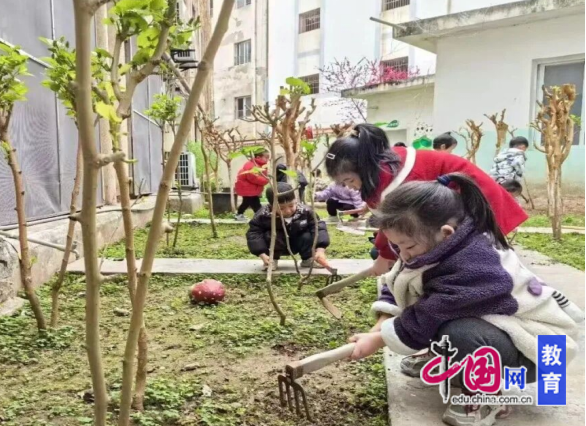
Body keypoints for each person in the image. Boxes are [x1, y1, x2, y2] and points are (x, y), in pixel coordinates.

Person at [348, 174, 581, 426]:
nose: (403, 255)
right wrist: (379, 328)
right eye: (397, 247)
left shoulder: (474, 264)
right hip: (506, 334)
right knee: (444, 318)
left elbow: (430, 313)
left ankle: (486, 396)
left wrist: (379, 339)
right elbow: (399, 280)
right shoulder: (433, 245)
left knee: (458, 332)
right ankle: (446, 358)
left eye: (408, 247)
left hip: (539, 351)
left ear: (446, 233)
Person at [324, 123, 527, 276]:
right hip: (451, 202)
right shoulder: (385, 164)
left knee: (469, 262)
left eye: (349, 180)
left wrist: (384, 255)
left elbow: (395, 223)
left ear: (365, 168)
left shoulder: (397, 180)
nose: (349, 187)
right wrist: (384, 253)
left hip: (476, 201)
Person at [247, 182, 330, 271]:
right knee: (271, 235)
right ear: (271, 206)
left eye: (291, 205)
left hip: (298, 243)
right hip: (276, 246)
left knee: (307, 235)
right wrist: (262, 254)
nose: (288, 211)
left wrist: (320, 249)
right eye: (281, 208)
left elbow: (319, 227)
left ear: (296, 200)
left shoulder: (306, 212)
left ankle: (308, 259)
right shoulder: (263, 216)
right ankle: (271, 261)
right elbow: (254, 234)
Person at [234, 149, 270, 222]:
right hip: (248, 189)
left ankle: (239, 214)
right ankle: (260, 217)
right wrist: (265, 180)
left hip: (250, 189)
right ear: (258, 157)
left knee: (246, 202)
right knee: (255, 204)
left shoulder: (258, 165)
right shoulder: (251, 165)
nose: (267, 159)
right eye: (266, 157)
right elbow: (253, 177)